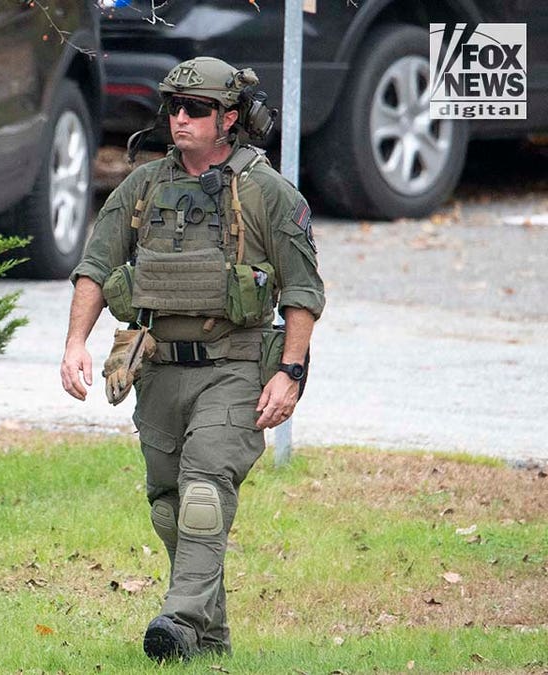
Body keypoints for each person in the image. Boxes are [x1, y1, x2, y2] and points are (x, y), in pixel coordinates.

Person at [59, 57, 325, 661]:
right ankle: (211, 636)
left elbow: (304, 292)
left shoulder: (267, 192)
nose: (180, 118)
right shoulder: (145, 186)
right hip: (157, 370)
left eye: (196, 109)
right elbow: (96, 266)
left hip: (233, 368)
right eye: (174, 107)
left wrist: (291, 371)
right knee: (169, 507)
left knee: (204, 490)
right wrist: (76, 342)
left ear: (229, 118)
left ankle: (177, 621)